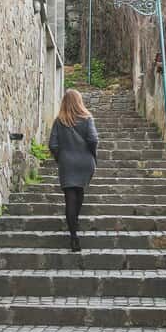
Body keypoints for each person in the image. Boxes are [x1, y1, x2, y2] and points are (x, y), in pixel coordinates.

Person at [48, 89, 99, 252]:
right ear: (79, 101)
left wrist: (60, 158)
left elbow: (53, 145)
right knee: (80, 192)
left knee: (70, 198)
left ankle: (73, 236)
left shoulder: (59, 121)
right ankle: (75, 221)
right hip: (85, 162)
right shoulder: (87, 118)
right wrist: (92, 155)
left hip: (67, 163)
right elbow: (93, 139)